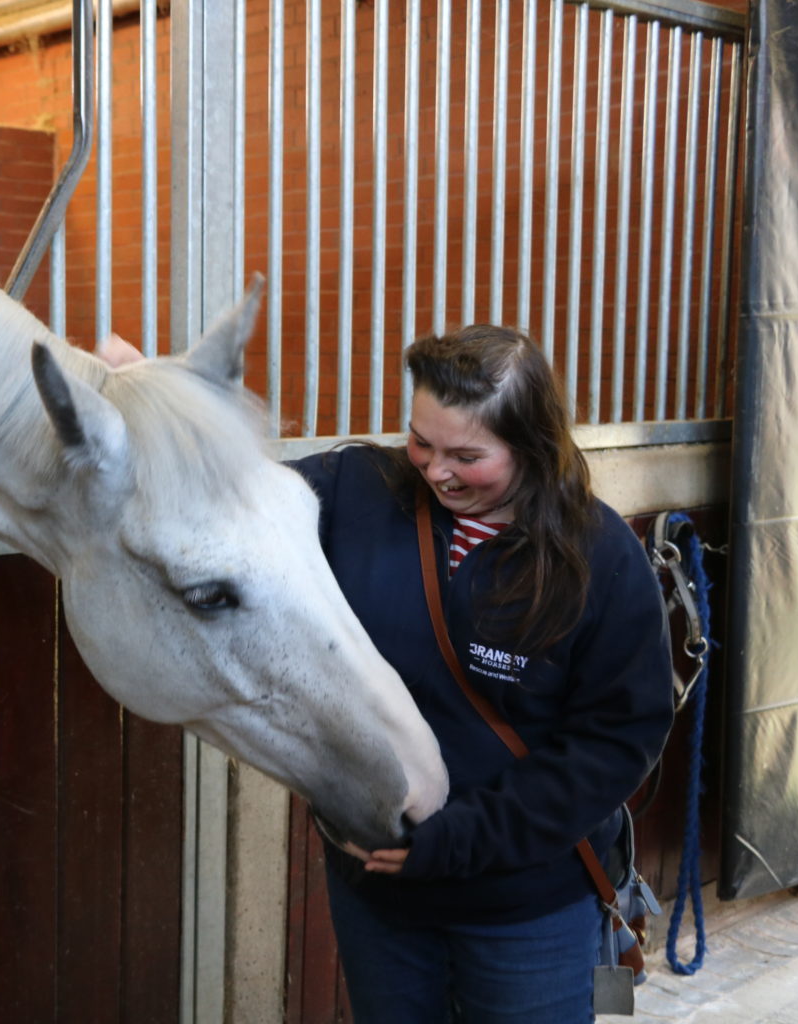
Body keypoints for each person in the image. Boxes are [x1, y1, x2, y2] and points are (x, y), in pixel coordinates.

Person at [283, 325, 675, 1023]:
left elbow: (614, 744)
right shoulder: (356, 491)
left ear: (531, 446)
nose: (435, 471)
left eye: (467, 455)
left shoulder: (600, 558)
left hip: (526, 907)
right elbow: (229, 496)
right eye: (421, 441)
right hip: (380, 898)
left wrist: (457, 839)